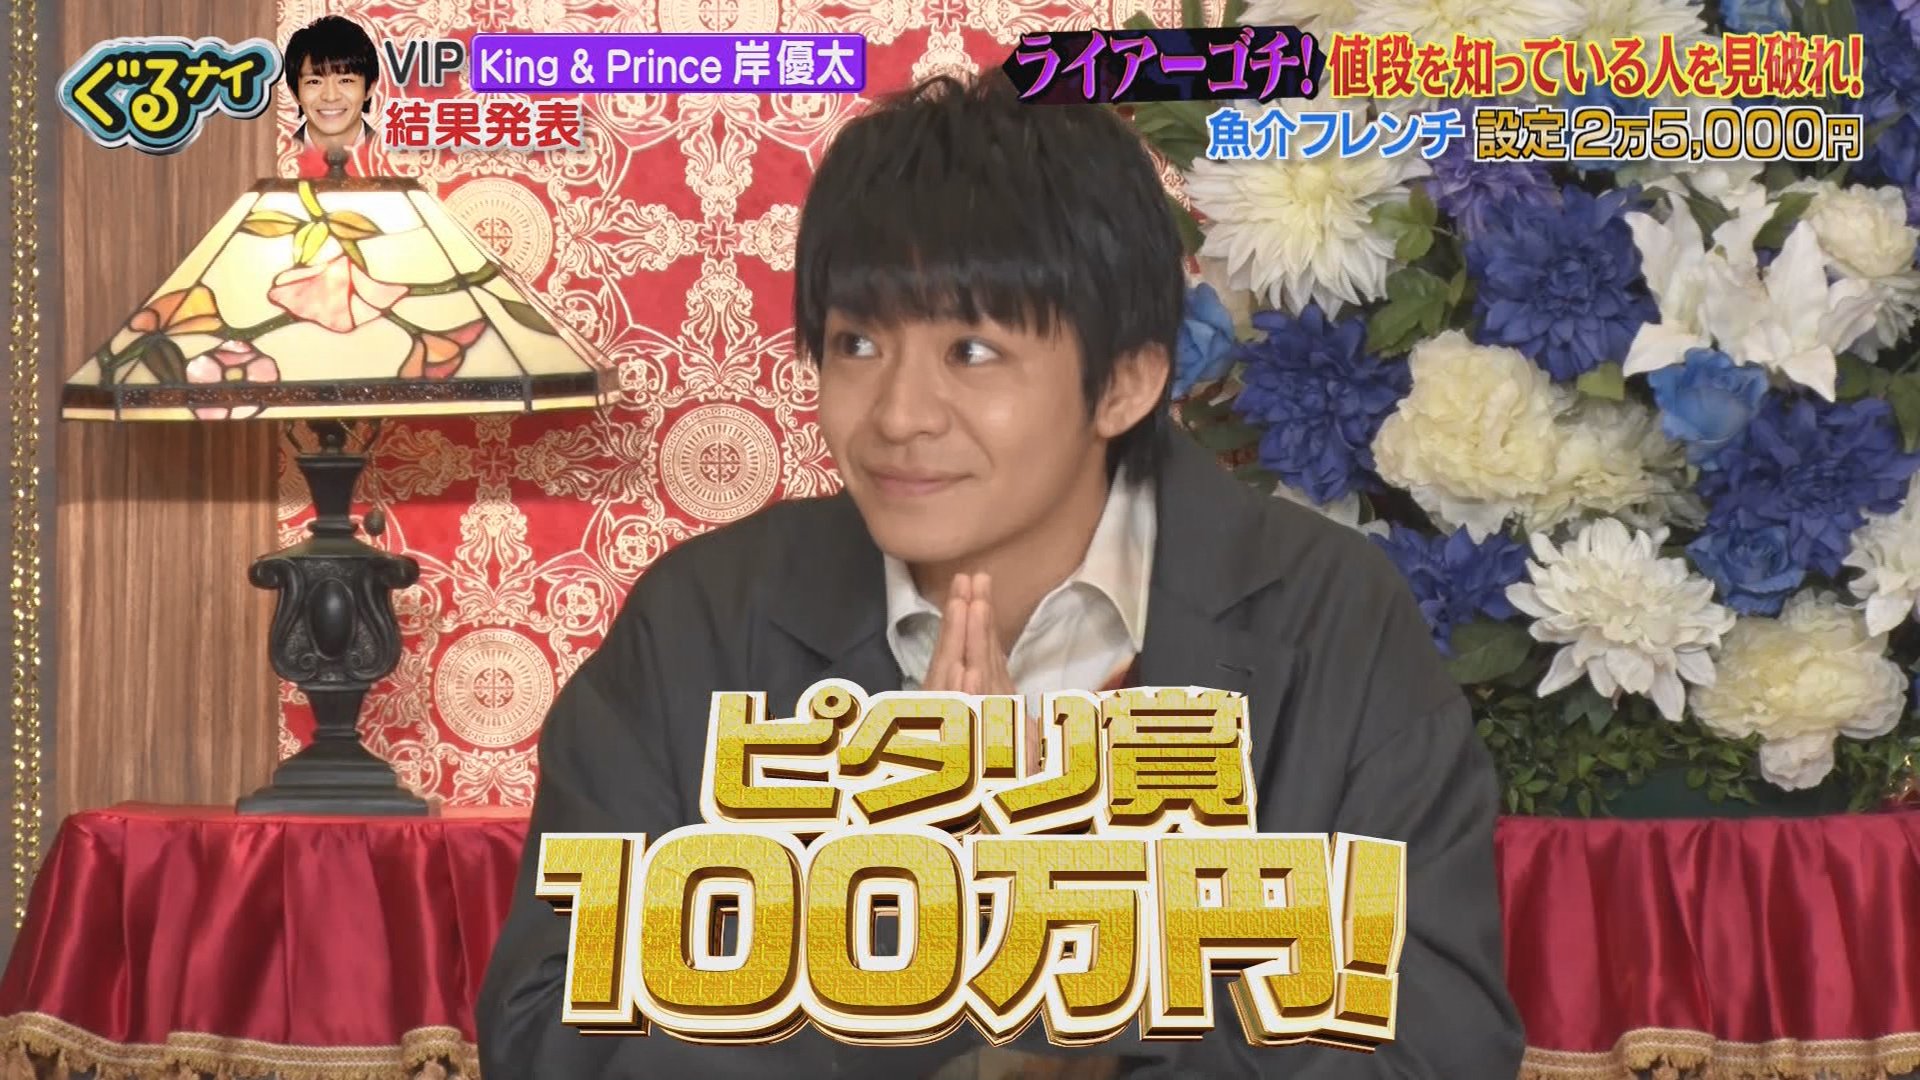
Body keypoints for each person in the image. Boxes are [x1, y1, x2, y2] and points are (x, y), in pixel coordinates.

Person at [476, 71, 1525, 1079]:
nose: (898, 416)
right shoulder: (704, 619)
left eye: (971, 352)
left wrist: (1046, 939)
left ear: (1125, 383)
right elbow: (553, 1030)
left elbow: (1432, 1041)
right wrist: (903, 925)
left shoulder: (1329, 614)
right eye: (857, 343)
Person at [283, 15, 380, 177]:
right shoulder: (276, 161)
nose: (330, 96)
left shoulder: (397, 163)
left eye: (345, 80)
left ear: (369, 88)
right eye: (314, 81)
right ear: (294, 92)